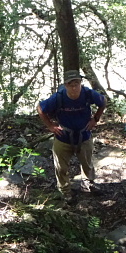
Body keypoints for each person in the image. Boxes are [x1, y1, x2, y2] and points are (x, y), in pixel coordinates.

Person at [37, 70, 106, 199]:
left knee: (87, 163)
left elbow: (103, 102)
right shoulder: (59, 97)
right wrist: (50, 126)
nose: (74, 87)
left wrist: (95, 119)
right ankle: (65, 190)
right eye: (70, 84)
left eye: (76, 83)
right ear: (65, 85)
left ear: (81, 83)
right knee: (61, 167)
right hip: (63, 137)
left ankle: (88, 184)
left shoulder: (88, 94)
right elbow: (40, 108)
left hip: (84, 135)